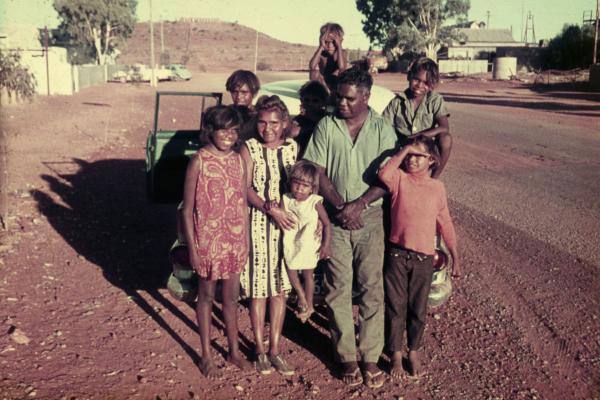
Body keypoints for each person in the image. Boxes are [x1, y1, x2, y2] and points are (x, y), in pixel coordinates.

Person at [303, 66, 397, 388]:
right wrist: (341, 206)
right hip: (336, 218)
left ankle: (370, 356)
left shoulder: (383, 129)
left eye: (348, 98)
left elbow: (390, 177)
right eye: (338, 97)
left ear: (366, 97)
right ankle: (345, 356)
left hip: (370, 218)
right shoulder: (328, 126)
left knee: (372, 287)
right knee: (337, 288)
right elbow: (317, 168)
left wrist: (359, 205)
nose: (340, 103)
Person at [377, 137, 460, 379]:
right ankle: (395, 354)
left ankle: (413, 350)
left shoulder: (437, 188)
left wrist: (456, 257)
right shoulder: (399, 180)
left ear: (432, 160)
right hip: (396, 254)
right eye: (410, 155)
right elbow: (384, 173)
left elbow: (445, 222)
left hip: (424, 257)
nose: (412, 159)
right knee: (395, 306)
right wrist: (404, 150)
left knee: (418, 308)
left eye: (418, 155)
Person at [180, 105, 252, 378]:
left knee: (231, 298)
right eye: (223, 129)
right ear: (211, 130)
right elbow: (187, 209)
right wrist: (193, 249)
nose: (229, 136)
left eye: (234, 130)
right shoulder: (199, 160)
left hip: (234, 241)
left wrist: (244, 241)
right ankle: (206, 355)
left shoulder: (237, 159)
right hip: (207, 242)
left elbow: (242, 202)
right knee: (207, 296)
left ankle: (234, 352)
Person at [239, 95, 298, 376]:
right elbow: (245, 188)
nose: (268, 128)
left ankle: (275, 349)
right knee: (258, 287)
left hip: (285, 225)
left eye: (274, 122)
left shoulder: (292, 149)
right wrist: (268, 209)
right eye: (262, 122)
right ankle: (260, 350)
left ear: (284, 123)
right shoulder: (248, 148)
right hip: (258, 222)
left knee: (280, 288)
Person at [382, 57, 451, 178]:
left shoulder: (434, 100)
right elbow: (383, 128)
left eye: (426, 83)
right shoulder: (397, 102)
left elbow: (444, 127)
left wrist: (420, 136)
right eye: (416, 79)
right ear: (409, 76)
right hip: (402, 148)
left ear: (432, 85)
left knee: (446, 139)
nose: (419, 85)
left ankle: (432, 179)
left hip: (424, 149)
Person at [281, 161, 332, 323]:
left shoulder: (314, 201)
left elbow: (326, 223)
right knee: (290, 269)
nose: (300, 189)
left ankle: (309, 305)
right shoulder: (286, 199)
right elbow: (281, 215)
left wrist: (326, 245)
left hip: (309, 242)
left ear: (312, 188)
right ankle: (301, 296)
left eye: (305, 186)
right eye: (296, 184)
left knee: (308, 275)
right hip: (291, 240)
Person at [288, 80, 329, 157]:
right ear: (301, 101)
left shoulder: (327, 120)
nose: (310, 104)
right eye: (306, 100)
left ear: (323, 102)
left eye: (315, 101)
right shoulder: (297, 121)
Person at [309, 23, 348, 94]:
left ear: (340, 41)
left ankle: (337, 94)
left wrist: (339, 46)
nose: (330, 46)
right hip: (323, 84)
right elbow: (312, 67)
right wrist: (321, 46)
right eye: (326, 42)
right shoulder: (321, 54)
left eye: (334, 42)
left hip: (336, 84)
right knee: (314, 72)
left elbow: (342, 67)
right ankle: (316, 93)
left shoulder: (341, 53)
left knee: (342, 72)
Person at [225, 69, 261, 144]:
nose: (238, 96)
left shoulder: (260, 116)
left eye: (244, 92)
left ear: (254, 93)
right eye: (235, 92)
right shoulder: (225, 114)